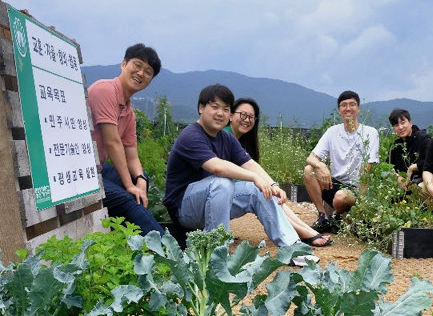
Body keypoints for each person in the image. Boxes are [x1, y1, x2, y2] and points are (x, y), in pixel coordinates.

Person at [163, 84, 300, 248]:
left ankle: (292, 247)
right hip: (184, 209)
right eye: (215, 107)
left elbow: (249, 163)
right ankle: (216, 252)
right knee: (223, 182)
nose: (220, 113)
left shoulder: (226, 139)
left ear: (230, 115)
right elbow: (217, 168)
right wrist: (255, 177)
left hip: (211, 200)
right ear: (201, 108)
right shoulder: (191, 135)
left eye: (226, 109)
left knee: (258, 190)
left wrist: (272, 184)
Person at [225, 98, 332, 246]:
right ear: (230, 115)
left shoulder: (237, 140)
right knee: (263, 192)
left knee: (271, 193)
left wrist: (273, 185)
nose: (246, 120)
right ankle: (302, 232)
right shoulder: (225, 136)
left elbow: (252, 166)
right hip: (217, 198)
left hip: (228, 195)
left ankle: (304, 229)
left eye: (251, 117)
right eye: (242, 115)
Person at [87, 44, 164, 235]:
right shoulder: (105, 90)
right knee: (130, 198)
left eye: (148, 72)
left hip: (99, 167)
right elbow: (113, 142)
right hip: (83, 171)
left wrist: (139, 180)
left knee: (141, 181)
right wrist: (130, 186)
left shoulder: (128, 112)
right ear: (123, 64)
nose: (140, 73)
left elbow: (132, 155)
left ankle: (134, 236)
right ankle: (167, 250)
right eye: (137, 65)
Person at [303, 91, 379, 232]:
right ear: (339, 110)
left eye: (352, 104)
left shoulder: (370, 133)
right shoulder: (332, 131)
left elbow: (367, 168)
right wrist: (321, 165)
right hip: (334, 184)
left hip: (354, 189)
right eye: (343, 105)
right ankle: (322, 217)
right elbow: (310, 158)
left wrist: (362, 204)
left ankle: (336, 217)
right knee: (309, 170)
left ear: (358, 108)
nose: (348, 108)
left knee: (341, 197)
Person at [388, 108, 430, 188]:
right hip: (401, 186)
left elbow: (432, 160)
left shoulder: (423, 139)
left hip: (421, 182)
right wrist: (397, 177)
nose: (400, 127)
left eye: (403, 123)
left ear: (410, 123)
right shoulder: (394, 144)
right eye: (396, 125)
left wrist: (413, 167)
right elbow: (389, 165)